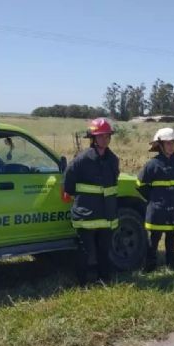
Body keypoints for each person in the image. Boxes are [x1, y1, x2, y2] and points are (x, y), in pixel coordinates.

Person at [64, 118, 119, 285]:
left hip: (106, 215)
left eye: (107, 136)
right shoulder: (81, 160)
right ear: (93, 138)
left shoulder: (113, 160)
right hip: (86, 215)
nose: (105, 139)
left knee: (104, 250)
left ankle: (104, 279)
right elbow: (69, 184)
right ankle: (82, 282)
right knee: (85, 252)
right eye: (101, 136)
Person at [137, 127, 174, 271]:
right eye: (168, 143)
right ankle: (150, 265)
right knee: (154, 238)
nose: (171, 146)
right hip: (158, 208)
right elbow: (140, 185)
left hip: (173, 208)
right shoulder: (152, 165)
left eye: (173, 143)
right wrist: (153, 199)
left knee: (171, 236)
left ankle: (171, 262)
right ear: (160, 145)